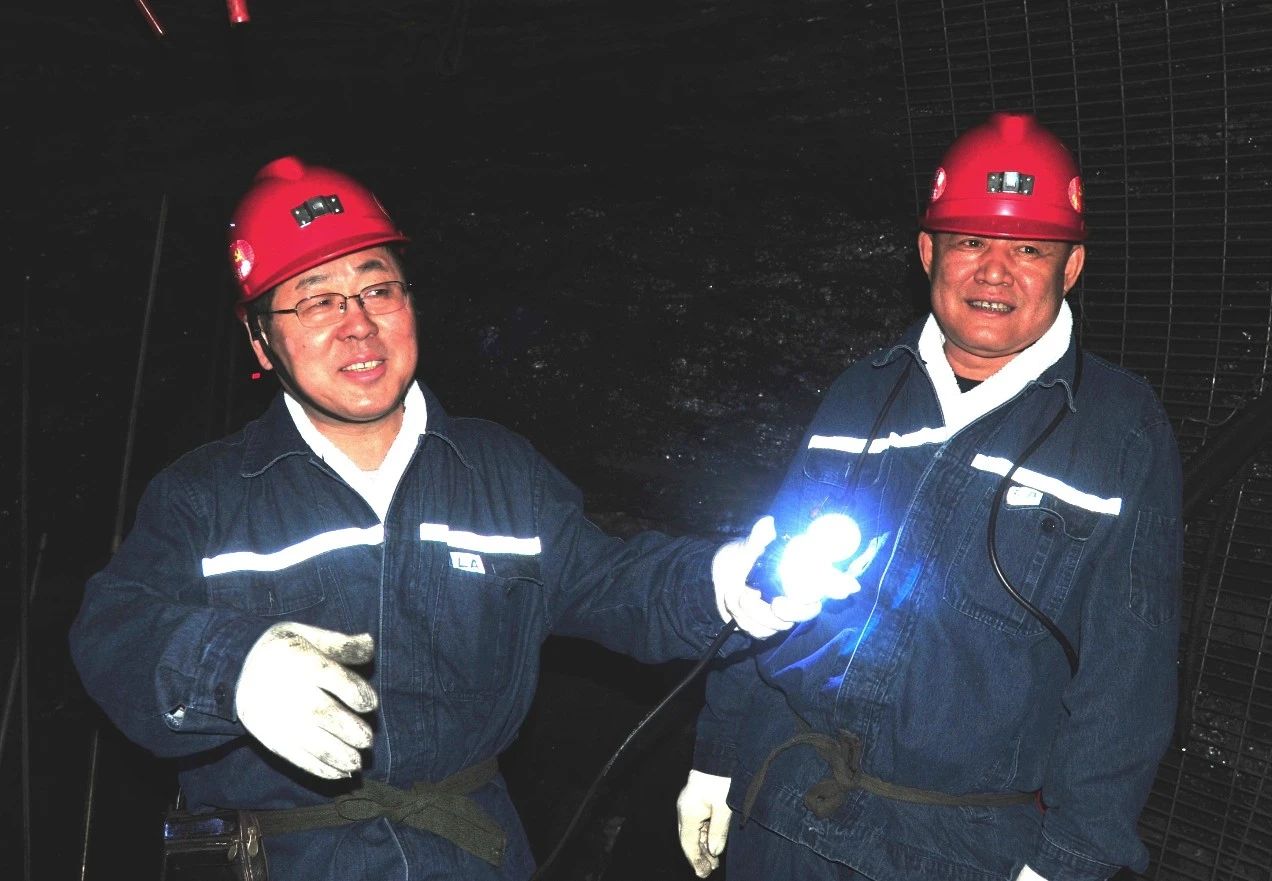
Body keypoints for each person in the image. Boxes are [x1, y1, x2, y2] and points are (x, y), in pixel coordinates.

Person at [69, 155, 793, 880]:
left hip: (471, 854)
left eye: (378, 289)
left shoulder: (500, 471)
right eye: (317, 302)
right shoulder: (204, 493)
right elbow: (113, 628)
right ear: (261, 340)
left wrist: (719, 580)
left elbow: (616, 581)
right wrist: (234, 667)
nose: (358, 325)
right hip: (282, 860)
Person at [676, 112, 1182, 881]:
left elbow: (1129, 675)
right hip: (781, 810)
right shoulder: (862, 391)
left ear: (1071, 266)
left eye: (1029, 249)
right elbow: (764, 582)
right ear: (927, 252)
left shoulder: (1120, 432)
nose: (994, 271)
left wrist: (1071, 860)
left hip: (952, 851)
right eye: (970, 241)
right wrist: (715, 756)